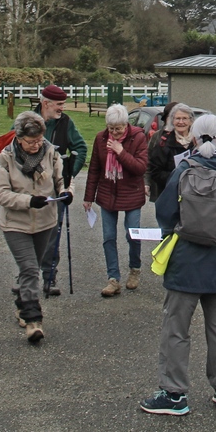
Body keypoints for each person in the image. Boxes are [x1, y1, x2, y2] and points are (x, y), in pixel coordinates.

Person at [138, 114, 216, 416]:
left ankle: (174, 394)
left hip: (185, 261)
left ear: (194, 137)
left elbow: (166, 212)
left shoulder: (183, 169)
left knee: (176, 328)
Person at [0, 112, 73, 343]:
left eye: (39, 140)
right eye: (31, 142)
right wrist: (28, 201)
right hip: (15, 224)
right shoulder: (5, 159)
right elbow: (0, 194)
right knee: (29, 268)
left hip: (45, 222)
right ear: (19, 139)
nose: (36, 145)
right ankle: (33, 320)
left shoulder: (50, 152)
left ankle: (21, 302)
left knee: (33, 268)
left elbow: (62, 180)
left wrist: (67, 192)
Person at [82, 104, 148, 297]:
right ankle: (113, 279)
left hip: (132, 193)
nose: (115, 133)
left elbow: (140, 168)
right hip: (107, 193)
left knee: (132, 235)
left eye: (118, 128)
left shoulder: (138, 137)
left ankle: (135, 269)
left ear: (126, 124)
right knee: (109, 238)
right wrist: (88, 197)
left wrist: (120, 151)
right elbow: (94, 169)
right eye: (111, 129)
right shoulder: (100, 139)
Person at [36, 85, 88, 296]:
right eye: (58, 105)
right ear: (45, 104)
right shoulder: (28, 120)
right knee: (27, 231)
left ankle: (49, 275)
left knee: (52, 232)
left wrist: (69, 175)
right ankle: (25, 276)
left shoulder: (66, 122)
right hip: (30, 187)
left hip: (56, 188)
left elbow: (82, 147)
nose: (62, 108)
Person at [146, 103, 196, 203]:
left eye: (184, 118)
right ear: (172, 121)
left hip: (194, 195)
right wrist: (176, 177)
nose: (181, 122)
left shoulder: (197, 141)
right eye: (177, 118)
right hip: (168, 194)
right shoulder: (163, 142)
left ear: (191, 121)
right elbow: (155, 171)